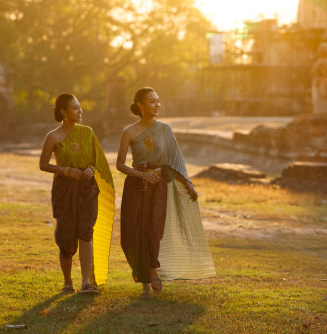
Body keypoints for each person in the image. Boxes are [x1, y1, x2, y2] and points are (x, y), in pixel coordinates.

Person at [116, 87, 215, 297]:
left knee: (153, 231)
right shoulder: (129, 132)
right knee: (133, 234)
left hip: (159, 185)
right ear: (140, 105)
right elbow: (120, 165)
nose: (157, 105)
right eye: (152, 102)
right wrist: (142, 175)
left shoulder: (165, 130)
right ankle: (142, 275)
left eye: (158, 101)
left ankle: (151, 275)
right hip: (136, 186)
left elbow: (175, 161)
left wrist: (188, 184)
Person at [40, 93, 115, 294]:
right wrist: (64, 170)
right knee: (66, 234)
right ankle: (67, 282)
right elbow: (43, 164)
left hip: (86, 188)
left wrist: (91, 169)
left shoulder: (88, 133)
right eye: (74, 108)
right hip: (64, 189)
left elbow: (95, 160)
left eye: (80, 107)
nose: (79, 111)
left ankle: (85, 282)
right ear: (63, 112)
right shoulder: (53, 136)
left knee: (85, 231)